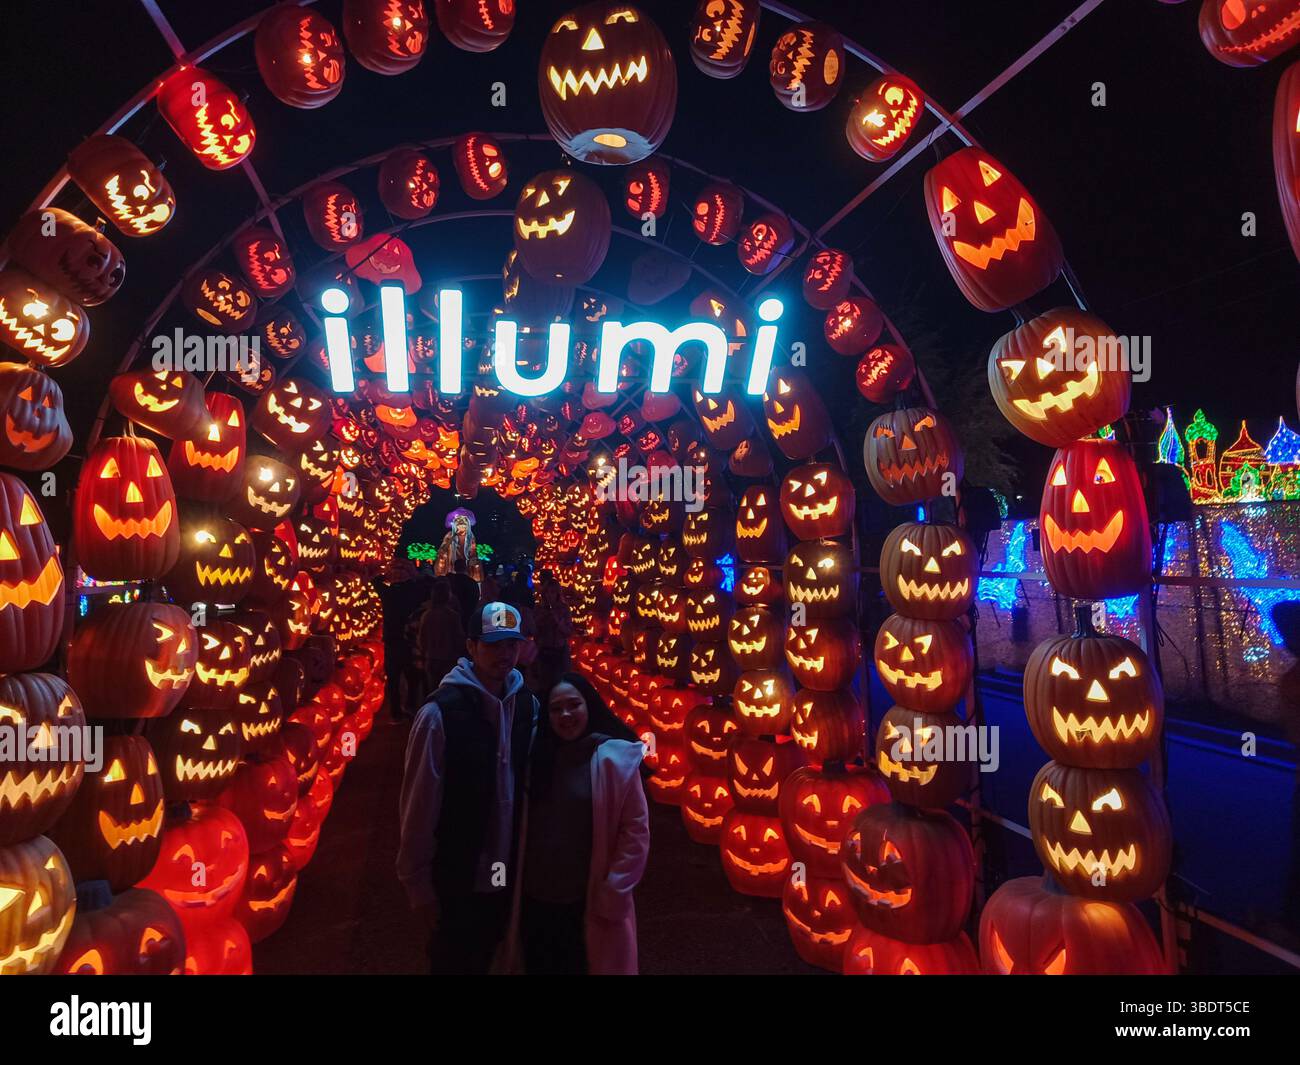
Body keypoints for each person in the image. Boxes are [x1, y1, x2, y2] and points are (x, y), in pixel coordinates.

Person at [397, 602, 539, 974]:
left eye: (511, 644)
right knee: (455, 957)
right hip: (458, 869)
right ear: (471, 647)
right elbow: (419, 802)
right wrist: (417, 883)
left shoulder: (527, 706)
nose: (504, 654)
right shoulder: (439, 715)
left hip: (503, 865)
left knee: (496, 949)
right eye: (493, 645)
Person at [506, 673, 649, 975]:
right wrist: (499, 881)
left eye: (574, 705)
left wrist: (616, 889)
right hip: (535, 897)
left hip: (586, 898)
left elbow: (635, 831)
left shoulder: (615, 760)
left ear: (590, 706)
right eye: (556, 709)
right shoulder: (535, 756)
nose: (566, 715)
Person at [421, 579, 466, 695]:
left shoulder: (427, 615)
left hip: (431, 658)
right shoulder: (453, 616)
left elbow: (422, 639)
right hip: (449, 659)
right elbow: (459, 638)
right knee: (448, 691)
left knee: (434, 690)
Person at [532, 570, 574, 693]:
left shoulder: (564, 609)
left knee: (562, 684)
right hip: (545, 652)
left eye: (553, 592)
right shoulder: (539, 608)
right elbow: (534, 630)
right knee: (545, 686)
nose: (550, 595)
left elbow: (568, 631)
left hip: (560, 651)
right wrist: (543, 619)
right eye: (548, 593)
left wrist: (558, 621)